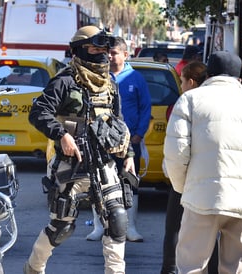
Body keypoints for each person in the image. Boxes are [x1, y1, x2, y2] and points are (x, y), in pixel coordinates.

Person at [163, 51, 242, 273]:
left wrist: (185, 189)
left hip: (200, 199)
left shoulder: (190, 100)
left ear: (208, 74)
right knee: (238, 269)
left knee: (191, 267)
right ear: (239, 79)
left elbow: (176, 153)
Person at [24, 25, 135, 274]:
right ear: (80, 50)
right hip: (70, 165)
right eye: (96, 48)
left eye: (104, 48)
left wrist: (128, 154)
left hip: (105, 164)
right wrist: (61, 134)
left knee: (117, 220)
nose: (102, 54)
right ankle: (33, 267)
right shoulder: (64, 81)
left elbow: (118, 120)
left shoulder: (109, 83)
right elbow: (38, 113)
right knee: (62, 226)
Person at [86, 36, 151, 242]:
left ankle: (130, 228)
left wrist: (139, 134)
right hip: (101, 141)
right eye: (108, 53)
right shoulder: (98, 77)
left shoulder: (136, 79)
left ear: (125, 54)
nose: (111, 57)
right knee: (98, 183)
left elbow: (145, 108)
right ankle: (99, 227)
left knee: (129, 182)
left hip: (129, 144)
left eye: (114, 53)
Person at [161, 60, 220, 274]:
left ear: (192, 82)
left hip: (187, 179)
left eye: (182, 81)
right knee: (212, 234)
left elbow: (177, 146)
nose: (181, 86)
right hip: (213, 179)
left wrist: (177, 183)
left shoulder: (187, 101)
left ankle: (169, 269)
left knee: (175, 229)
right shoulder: (221, 102)